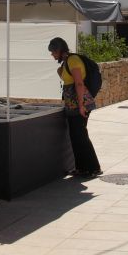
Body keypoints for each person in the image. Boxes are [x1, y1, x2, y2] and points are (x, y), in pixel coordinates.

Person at [48, 37, 102, 178]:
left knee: (80, 135)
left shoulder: (73, 61)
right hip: (73, 106)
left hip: (79, 105)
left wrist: (81, 106)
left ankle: (93, 167)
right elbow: (68, 80)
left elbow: (79, 84)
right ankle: (81, 168)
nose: (52, 55)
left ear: (59, 50)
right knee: (75, 135)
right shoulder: (67, 62)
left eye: (53, 51)